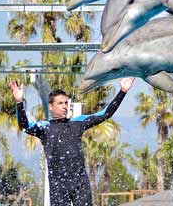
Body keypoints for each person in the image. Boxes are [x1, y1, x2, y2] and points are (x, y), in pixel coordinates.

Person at [10, 77, 134, 205]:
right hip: (58, 185)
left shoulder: (77, 123)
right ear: (51, 107)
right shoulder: (45, 128)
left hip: (80, 182)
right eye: (60, 103)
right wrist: (19, 102)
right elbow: (25, 126)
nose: (64, 107)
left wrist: (123, 91)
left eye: (66, 103)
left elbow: (105, 114)